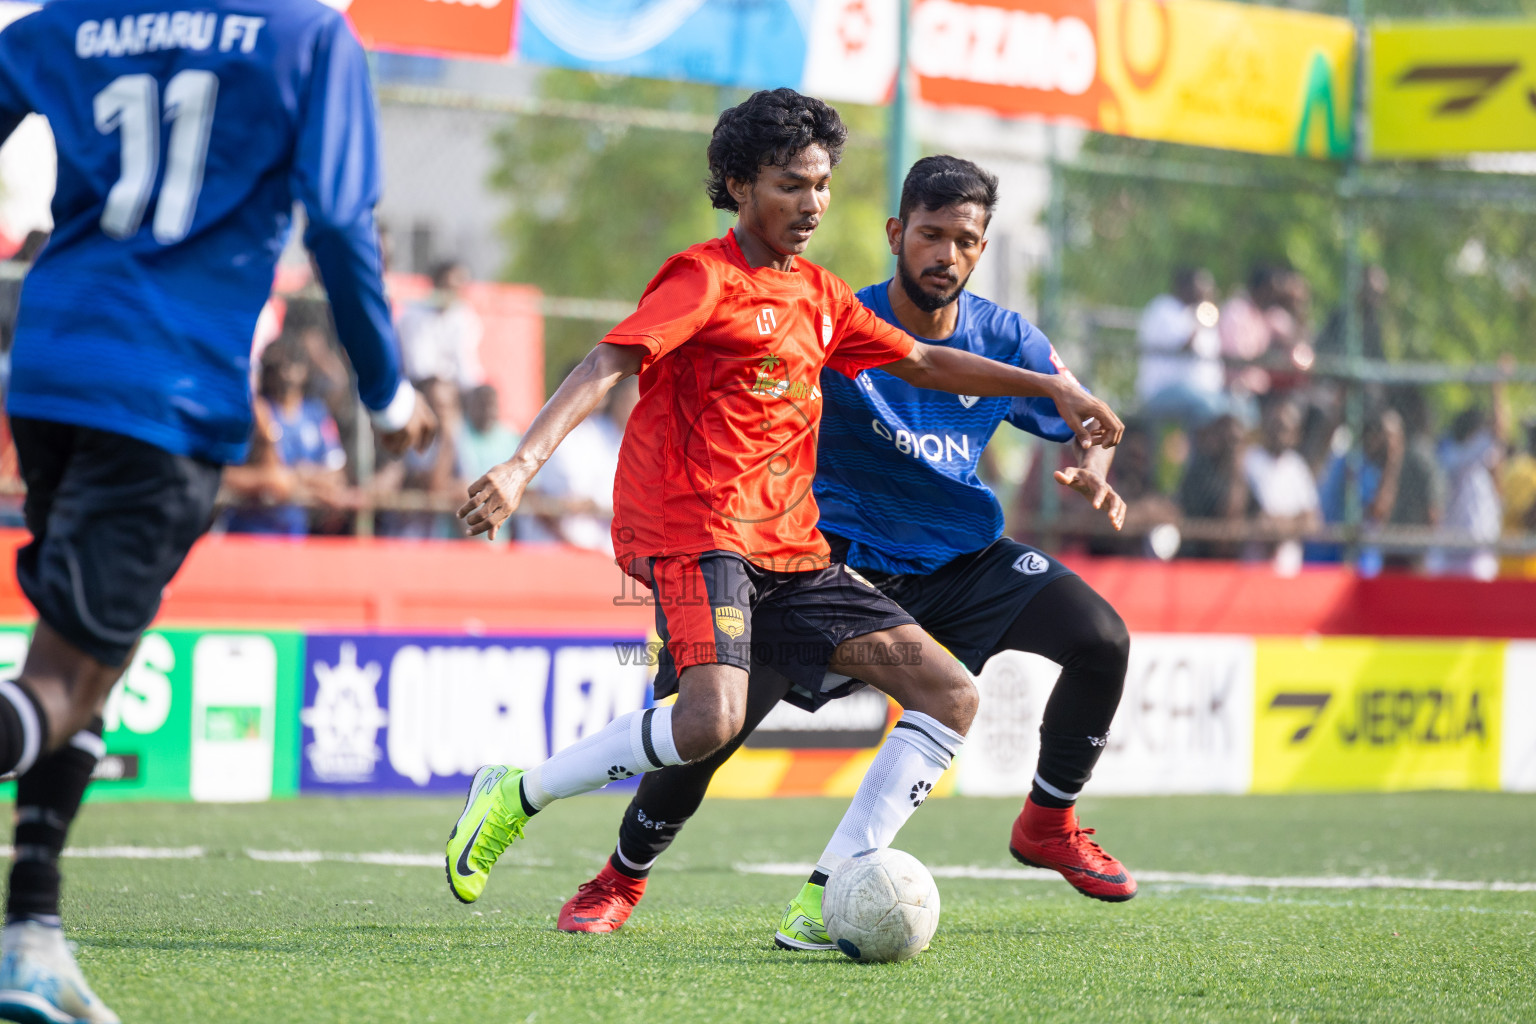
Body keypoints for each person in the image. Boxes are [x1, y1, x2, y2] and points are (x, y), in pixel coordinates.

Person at [442, 91, 1123, 924]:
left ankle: (828, 899)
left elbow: (925, 364)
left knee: (950, 695)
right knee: (709, 722)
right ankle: (521, 794)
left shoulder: (824, 297)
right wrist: (520, 466)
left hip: (795, 549)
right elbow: (607, 362)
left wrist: (1053, 387)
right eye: (790, 185)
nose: (811, 204)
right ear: (738, 185)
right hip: (697, 534)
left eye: (821, 185)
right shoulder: (703, 278)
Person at [0, 3, 436, 1019]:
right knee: (66, 679)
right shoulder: (306, 37)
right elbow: (339, 223)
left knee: (82, 664)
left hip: (51, 369)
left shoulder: (69, 24)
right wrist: (386, 394)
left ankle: (30, 935)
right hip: (165, 391)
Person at [223, 336, 349, 536]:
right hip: (248, 532)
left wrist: (297, 476)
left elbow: (335, 476)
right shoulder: (256, 412)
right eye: (278, 366)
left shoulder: (316, 414)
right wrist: (268, 441)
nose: (286, 373)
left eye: (293, 364)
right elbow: (232, 475)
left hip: (295, 534)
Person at [1135, 268, 1226, 424]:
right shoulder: (1164, 308)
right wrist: (1200, 320)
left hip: (1201, 391)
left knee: (1233, 409)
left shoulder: (1194, 312)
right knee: (1209, 408)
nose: (1206, 291)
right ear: (1185, 286)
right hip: (1162, 390)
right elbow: (1185, 347)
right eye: (1202, 286)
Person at [1242, 397, 1320, 570]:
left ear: (1296, 435)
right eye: (1274, 426)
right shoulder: (1249, 461)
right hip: (1253, 569)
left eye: (1284, 429)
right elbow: (1258, 520)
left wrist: (1280, 526)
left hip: (1290, 571)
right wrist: (1292, 522)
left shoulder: (1297, 467)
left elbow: (1312, 521)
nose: (1278, 434)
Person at [396, 259, 484, 390]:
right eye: (449, 286)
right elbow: (419, 368)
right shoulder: (414, 315)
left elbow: (466, 364)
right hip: (420, 386)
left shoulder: (465, 317)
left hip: (455, 388)